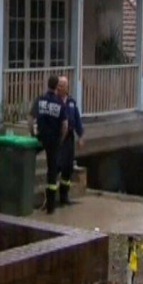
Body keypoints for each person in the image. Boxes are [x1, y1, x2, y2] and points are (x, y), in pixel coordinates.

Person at [28, 75, 68, 214]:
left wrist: (32, 135)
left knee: (29, 158)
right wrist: (61, 139)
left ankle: (25, 186)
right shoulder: (60, 103)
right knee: (52, 171)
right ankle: (50, 206)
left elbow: (30, 119)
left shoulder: (40, 100)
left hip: (40, 138)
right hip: (54, 141)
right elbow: (65, 125)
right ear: (56, 86)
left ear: (47, 85)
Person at [57, 76, 84, 206]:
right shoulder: (54, 101)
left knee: (68, 167)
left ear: (67, 87)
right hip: (58, 137)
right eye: (58, 85)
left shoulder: (71, 102)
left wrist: (80, 136)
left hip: (69, 138)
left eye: (62, 86)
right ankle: (51, 196)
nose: (60, 88)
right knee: (57, 165)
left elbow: (77, 120)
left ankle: (64, 195)